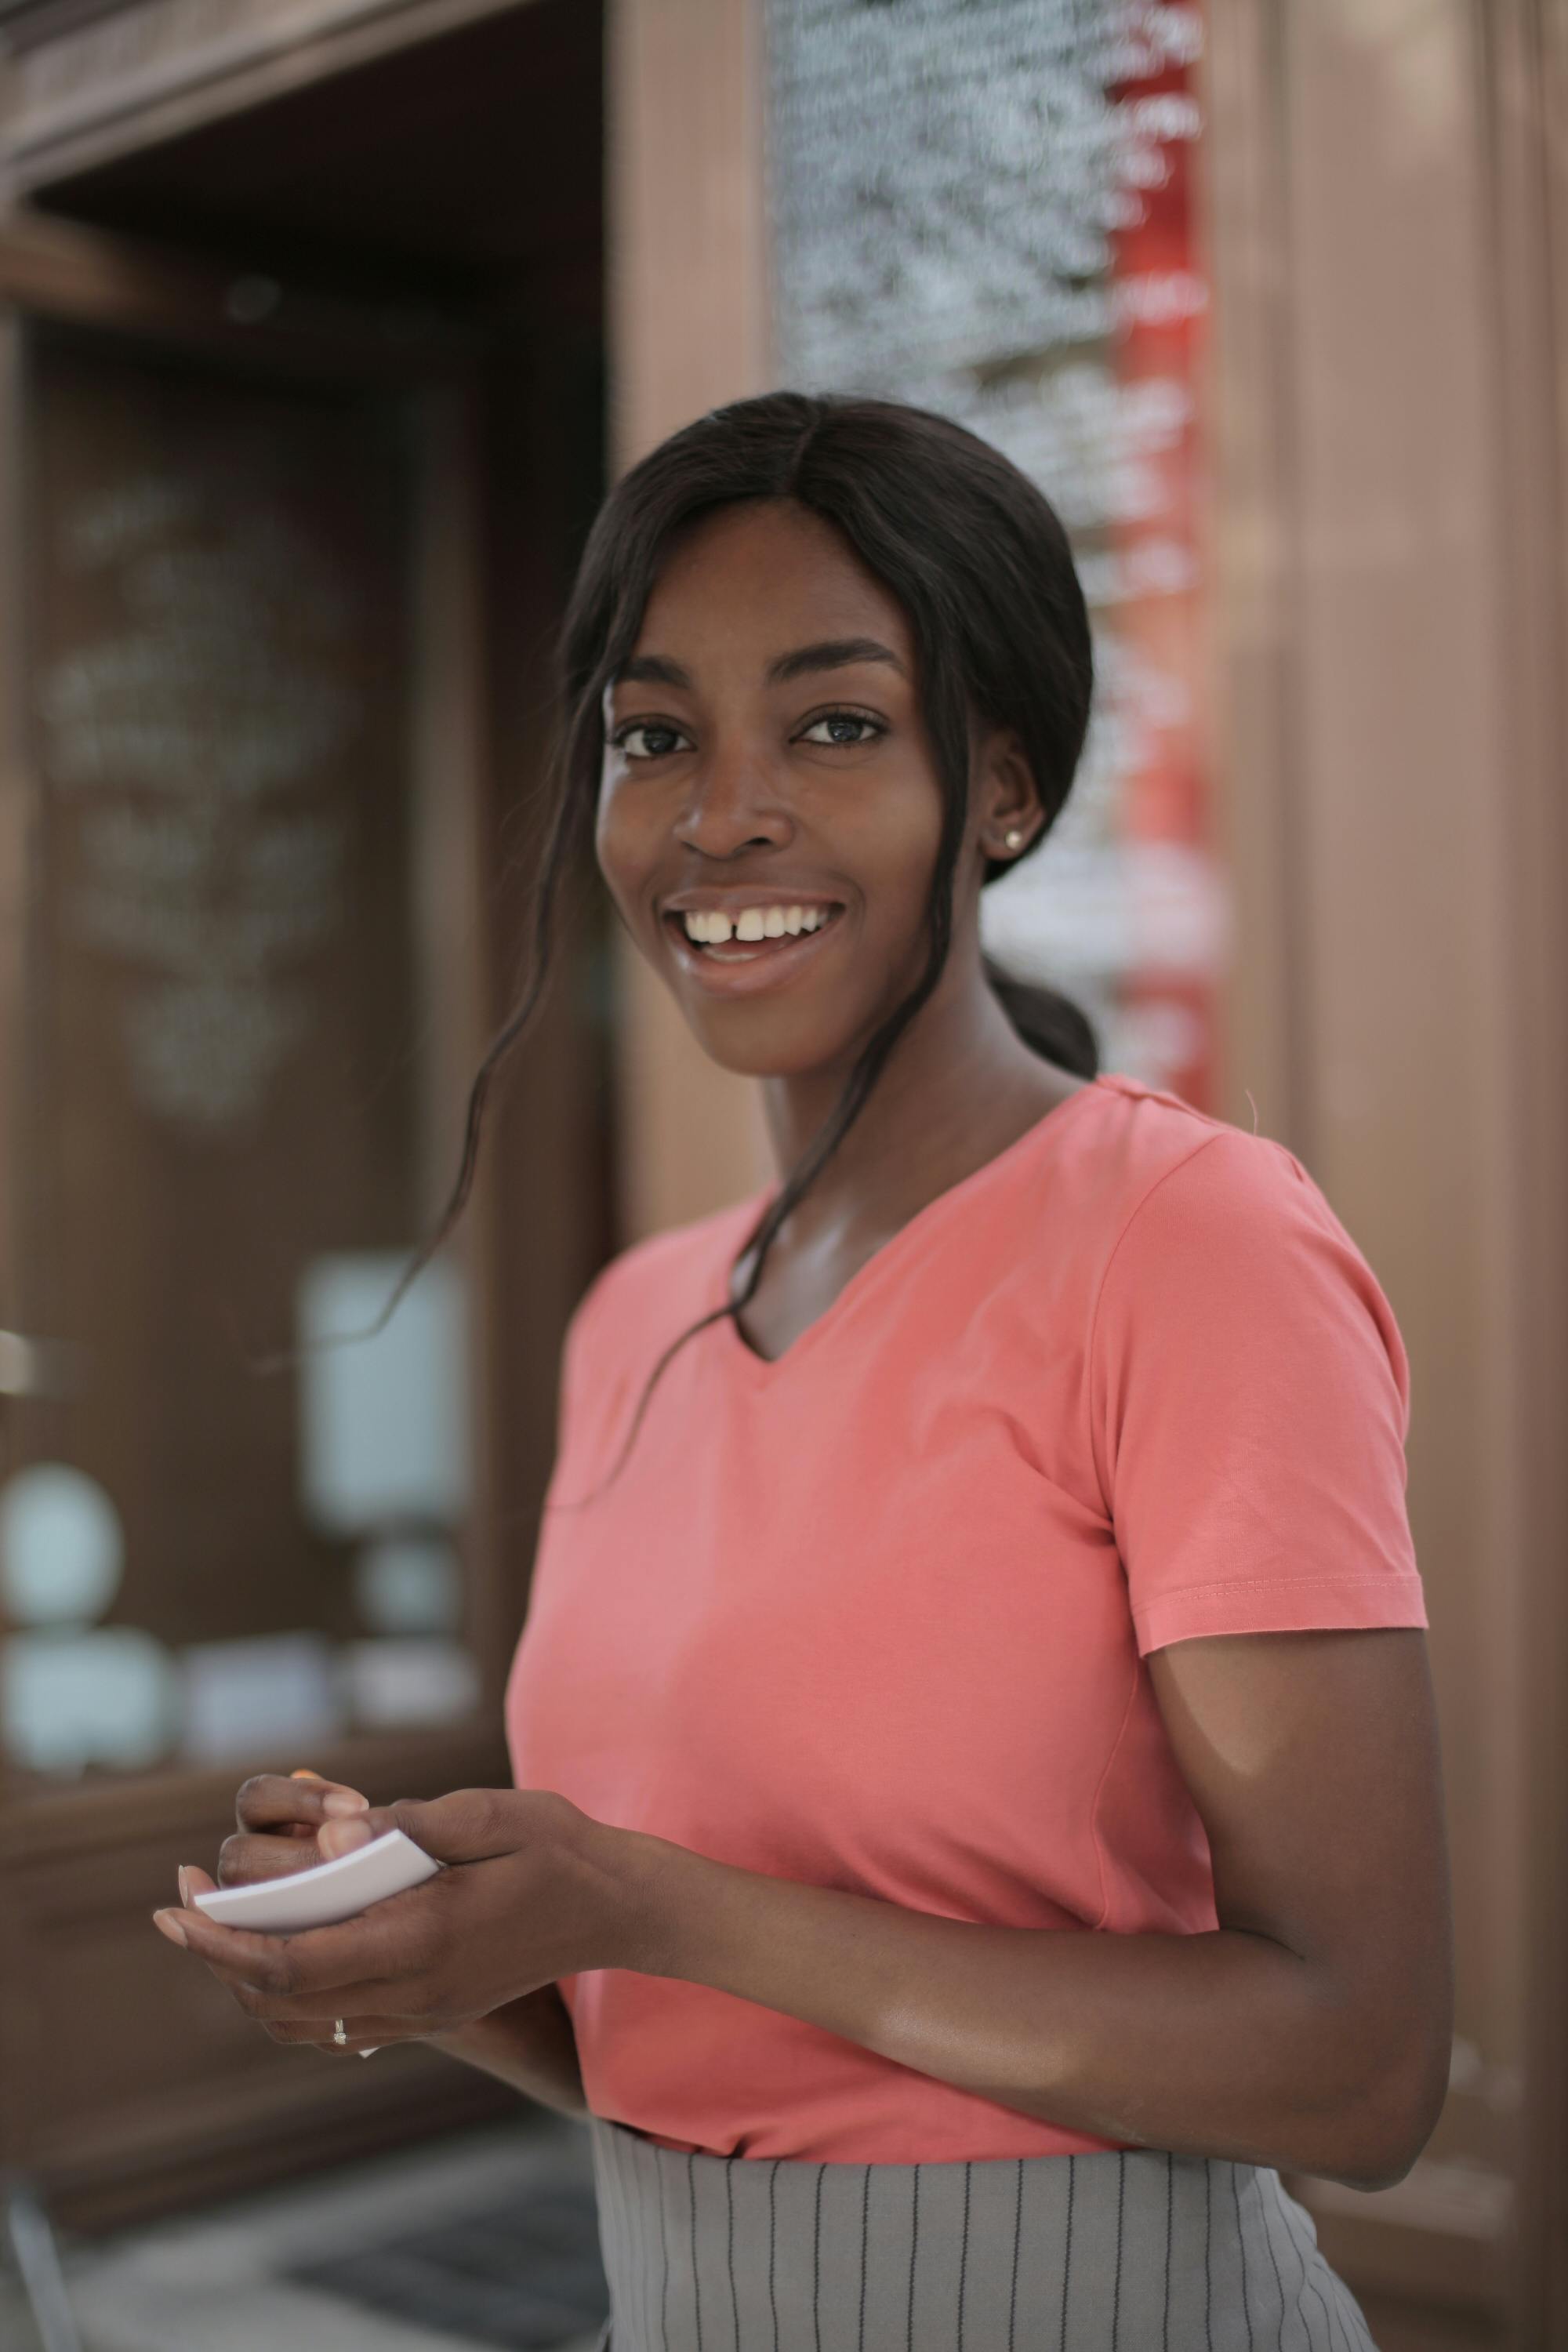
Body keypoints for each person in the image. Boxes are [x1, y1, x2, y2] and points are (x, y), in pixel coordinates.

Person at [153, 393, 1453, 2350]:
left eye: (833, 724)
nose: (717, 812)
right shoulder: (637, 1322)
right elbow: (694, 2056)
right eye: (654, 735)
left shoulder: (1189, 1246)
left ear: (999, 788)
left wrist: (648, 1901)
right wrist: (429, 1949)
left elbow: (1356, 2071)